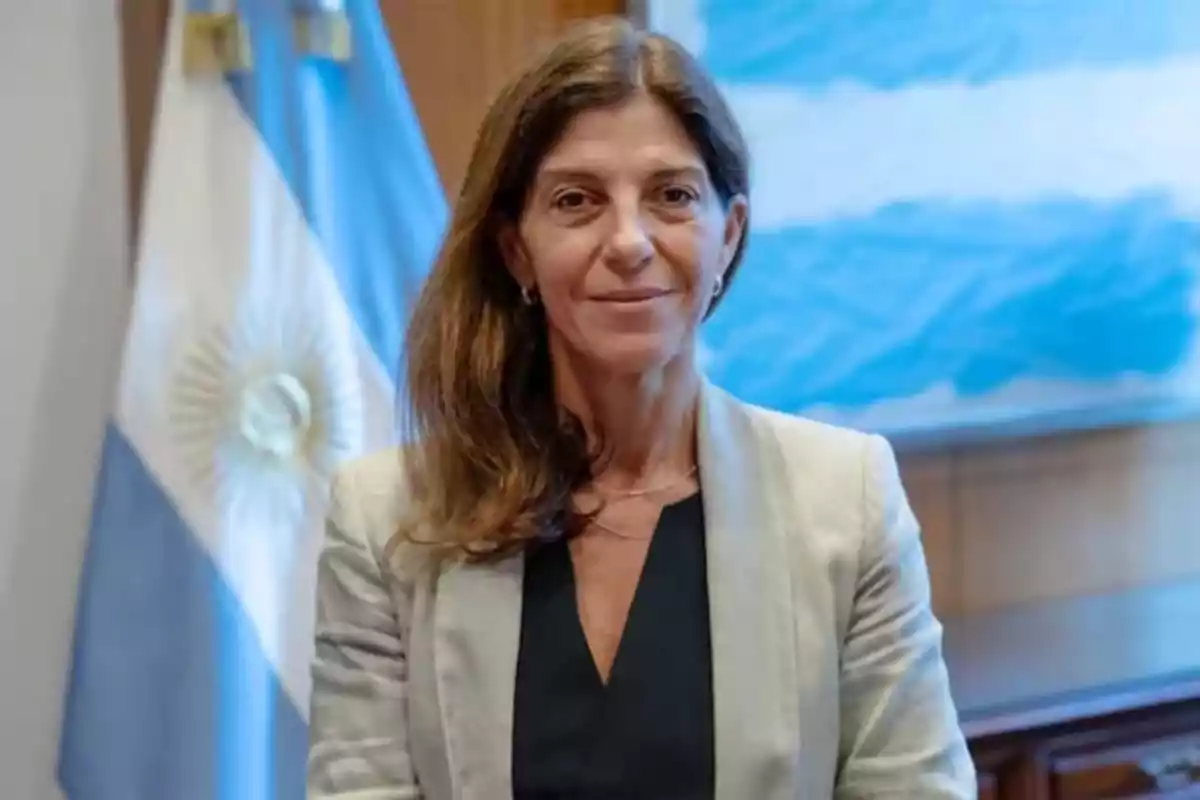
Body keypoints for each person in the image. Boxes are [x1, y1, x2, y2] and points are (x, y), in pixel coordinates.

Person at [306, 15, 975, 800]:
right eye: (577, 200)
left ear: (728, 237)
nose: (628, 241)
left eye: (672, 195)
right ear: (516, 248)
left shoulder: (847, 500)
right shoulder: (386, 521)